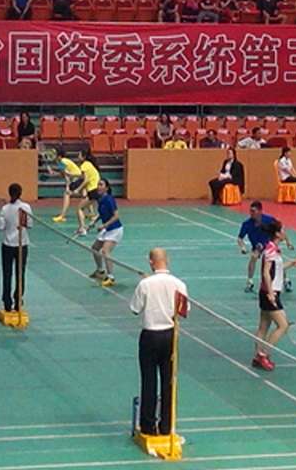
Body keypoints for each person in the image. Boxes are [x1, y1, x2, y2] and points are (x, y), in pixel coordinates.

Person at [130, 248, 189, 436]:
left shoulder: (145, 284)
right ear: (167, 260)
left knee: (149, 380)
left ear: (150, 262)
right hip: (170, 335)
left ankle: (148, 426)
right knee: (169, 381)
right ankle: (166, 426)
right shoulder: (179, 284)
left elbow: (135, 308)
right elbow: (184, 311)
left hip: (150, 335)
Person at [251, 220, 296, 372]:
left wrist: (291, 264)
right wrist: (270, 293)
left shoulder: (273, 249)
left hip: (268, 292)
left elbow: (277, 268)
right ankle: (263, 355)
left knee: (263, 326)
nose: (285, 232)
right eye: (283, 230)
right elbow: (266, 273)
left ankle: (257, 357)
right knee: (283, 325)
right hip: (270, 293)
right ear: (277, 234)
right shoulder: (270, 250)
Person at [237, 201, 294, 294]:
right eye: (250, 211)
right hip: (257, 247)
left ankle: (286, 281)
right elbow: (240, 238)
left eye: (253, 211)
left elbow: (280, 228)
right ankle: (250, 281)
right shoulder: (246, 224)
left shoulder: (268, 219)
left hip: (269, 245)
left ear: (260, 211)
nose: (251, 213)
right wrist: (242, 247)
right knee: (253, 257)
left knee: (277, 263)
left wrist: (288, 242)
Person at [0, 183, 32, 312]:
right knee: (20, 273)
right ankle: (18, 301)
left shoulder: (5, 209)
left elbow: (1, 227)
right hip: (22, 245)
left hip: (7, 245)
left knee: (7, 274)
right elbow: (29, 224)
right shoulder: (26, 207)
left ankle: (7, 303)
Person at [89, 179, 122, 287]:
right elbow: (101, 213)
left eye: (101, 184)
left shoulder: (109, 199)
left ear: (106, 188)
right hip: (107, 229)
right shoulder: (100, 199)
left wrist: (104, 225)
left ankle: (111, 277)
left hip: (115, 229)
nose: (98, 186)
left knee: (105, 251)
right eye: (98, 184)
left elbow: (116, 216)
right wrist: (94, 221)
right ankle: (100, 271)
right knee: (95, 248)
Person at [49, 150, 86, 225]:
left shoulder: (62, 162)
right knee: (85, 195)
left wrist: (67, 186)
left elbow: (66, 176)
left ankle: (62, 216)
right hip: (80, 178)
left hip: (77, 178)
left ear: (59, 156)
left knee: (66, 194)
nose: (52, 156)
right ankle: (92, 214)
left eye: (54, 154)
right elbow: (63, 174)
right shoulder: (63, 161)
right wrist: (53, 173)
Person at [77, 148, 102, 236]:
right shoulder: (90, 164)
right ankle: (94, 223)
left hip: (93, 190)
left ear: (83, 157)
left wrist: (78, 189)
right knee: (102, 209)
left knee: (79, 208)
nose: (77, 156)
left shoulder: (84, 165)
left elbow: (86, 180)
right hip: (98, 189)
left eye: (79, 155)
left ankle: (82, 229)